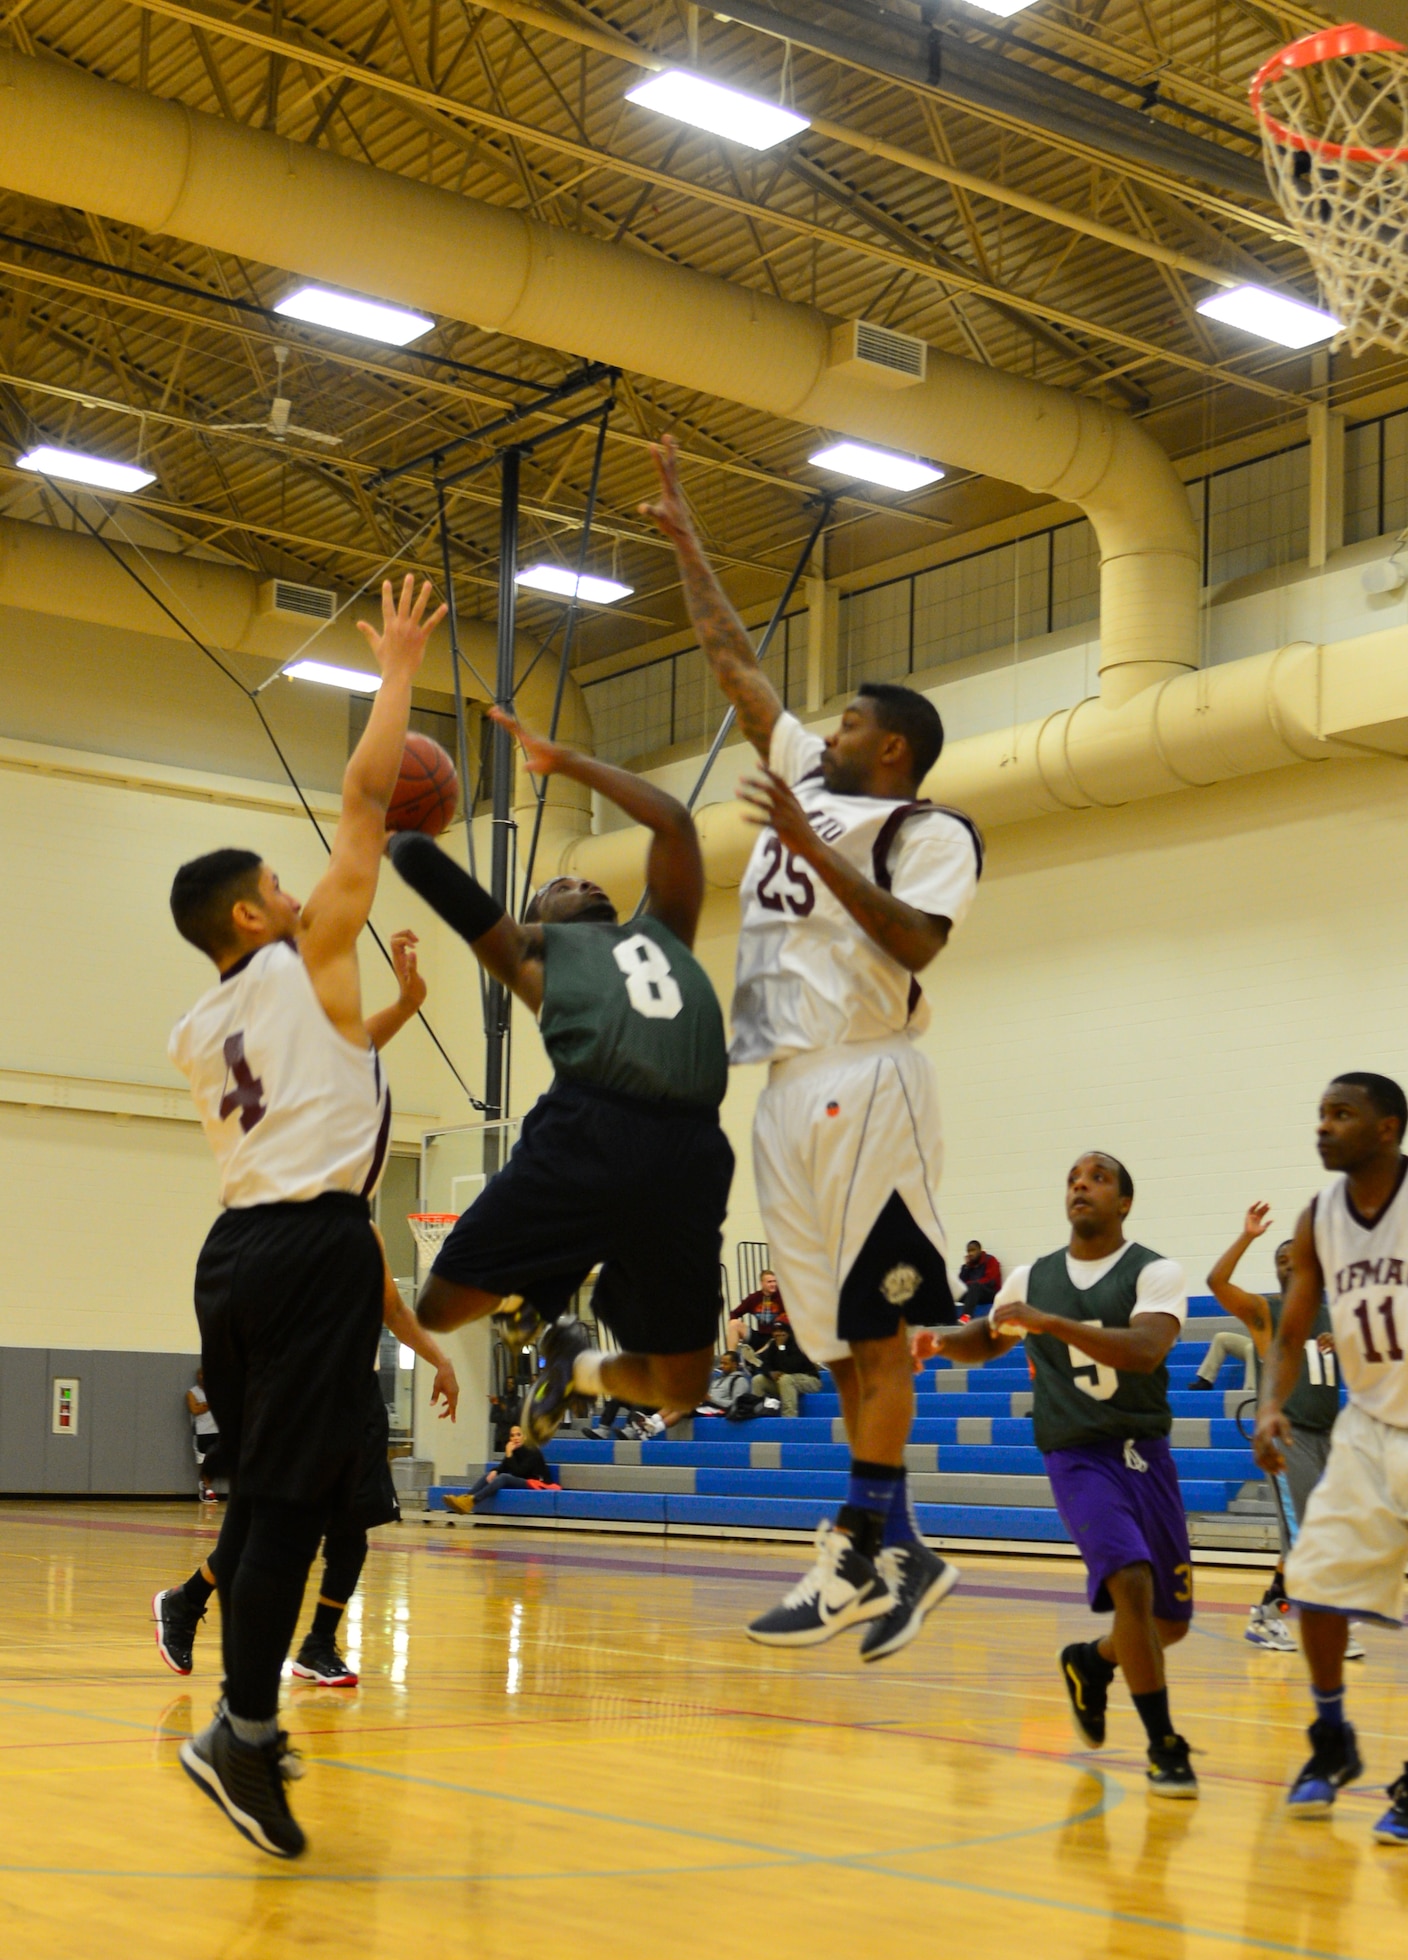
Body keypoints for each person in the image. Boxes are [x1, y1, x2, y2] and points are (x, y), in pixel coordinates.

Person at [642, 436, 981, 1662]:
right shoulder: (805, 773)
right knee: (836, 1342)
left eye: (844, 725)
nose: (820, 732)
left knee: (879, 1331)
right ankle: (893, 1545)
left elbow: (916, 945)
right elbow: (734, 663)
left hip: (868, 1076)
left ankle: (861, 1538)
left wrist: (810, 836)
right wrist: (685, 541)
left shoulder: (926, 826)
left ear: (887, 748)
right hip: (780, 1087)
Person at [165, 573, 447, 1860]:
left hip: (234, 1254)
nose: (300, 890)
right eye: (279, 886)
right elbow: (367, 804)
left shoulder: (200, 1024)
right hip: (312, 1248)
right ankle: (240, 1724)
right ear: (248, 914)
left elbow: (327, 1070)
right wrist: (394, 670)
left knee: (302, 1489)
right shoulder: (301, 954)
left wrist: (381, 1008)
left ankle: (244, 1710)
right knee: (292, 1498)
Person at [388, 706, 734, 1446]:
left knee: (683, 1385)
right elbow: (452, 894)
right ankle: (529, 1302)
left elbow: (673, 822)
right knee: (439, 1307)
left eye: (581, 876)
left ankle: (579, 1365)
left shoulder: (663, 928)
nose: (579, 879)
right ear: (536, 917)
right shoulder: (532, 954)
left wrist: (568, 761)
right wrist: (398, 834)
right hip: (593, 1130)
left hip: (689, 1150)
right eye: (559, 883)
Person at [915, 1152, 1197, 1798]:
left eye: (1098, 1178)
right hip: (1076, 1454)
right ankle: (1164, 1746)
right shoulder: (1029, 1277)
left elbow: (1146, 1348)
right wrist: (934, 1341)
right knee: (1128, 1580)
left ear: (1123, 1201)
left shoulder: (1154, 1271)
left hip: (1144, 1453)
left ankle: (1088, 1663)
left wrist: (1048, 1322)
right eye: (1073, 1177)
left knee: (1169, 1624)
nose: (1080, 1185)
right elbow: (987, 1339)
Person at [154, 1231, 460, 1682]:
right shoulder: (278, 1231)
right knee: (269, 1532)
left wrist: (442, 1360)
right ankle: (185, 1601)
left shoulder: (366, 1233)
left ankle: (318, 1645)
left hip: (357, 1397)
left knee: (352, 1532)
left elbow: (392, 1308)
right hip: (297, 1396)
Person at [1254, 1073, 1408, 1843]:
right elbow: (1288, 1335)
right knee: (1313, 1585)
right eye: (1319, 1114)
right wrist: (1266, 1406)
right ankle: (1331, 1739)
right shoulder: (1318, 1216)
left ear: (1386, 1128)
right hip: (1364, 1426)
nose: (1322, 1127)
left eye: (1340, 1114)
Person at [1206, 1202, 1355, 1656]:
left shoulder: (1335, 1316)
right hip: (1289, 1438)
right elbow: (1216, 1283)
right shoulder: (1266, 1313)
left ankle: (1271, 1614)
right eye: (1279, 1259)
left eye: (1295, 1256)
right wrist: (1247, 1236)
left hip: (1330, 1435)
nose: (1286, 1261)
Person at [444, 1423, 553, 1514]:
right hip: (524, 1481)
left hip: (538, 1483)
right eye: (512, 1435)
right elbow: (503, 1467)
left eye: (518, 1435)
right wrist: (495, 1471)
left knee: (504, 1477)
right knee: (490, 1475)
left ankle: (472, 1501)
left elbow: (519, 1472)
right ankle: (464, 1499)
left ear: (525, 1436)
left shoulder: (533, 1451)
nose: (515, 1438)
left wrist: (509, 1454)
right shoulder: (514, 1450)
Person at [750, 1325, 823, 1417]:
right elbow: (765, 1365)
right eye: (775, 1331)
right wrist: (770, 1373)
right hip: (785, 1382)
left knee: (786, 1379)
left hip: (810, 1381)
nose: (778, 1334)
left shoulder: (797, 1345)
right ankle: (757, 1413)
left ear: (788, 1333)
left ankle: (789, 1419)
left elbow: (790, 1368)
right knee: (758, 1380)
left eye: (781, 1331)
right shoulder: (773, 1345)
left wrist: (781, 1347)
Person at [729, 1270, 790, 1359]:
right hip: (759, 1336)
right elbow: (734, 1314)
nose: (773, 1284)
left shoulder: (782, 1298)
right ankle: (731, 1358)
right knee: (733, 1324)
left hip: (776, 1337)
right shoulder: (753, 1298)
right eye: (769, 1282)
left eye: (775, 1281)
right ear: (762, 1283)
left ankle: (755, 1357)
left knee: (775, 1339)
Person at [188, 1370, 224, 1502]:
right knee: (203, 1460)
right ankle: (207, 1489)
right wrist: (210, 1403)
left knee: (215, 1460)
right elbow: (195, 1409)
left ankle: (206, 1485)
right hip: (202, 1432)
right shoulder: (192, 1393)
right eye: (200, 1375)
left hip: (217, 1430)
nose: (203, 1377)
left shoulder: (217, 1391)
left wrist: (203, 1404)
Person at [957, 1241, 1002, 1316]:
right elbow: (960, 1284)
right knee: (951, 1290)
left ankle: (965, 1317)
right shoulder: (967, 1266)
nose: (971, 1254)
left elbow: (991, 1281)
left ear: (980, 1251)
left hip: (989, 1293)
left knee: (975, 1286)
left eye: (973, 1250)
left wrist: (970, 1284)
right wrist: (966, 1267)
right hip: (973, 1294)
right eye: (969, 1251)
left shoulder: (990, 1260)